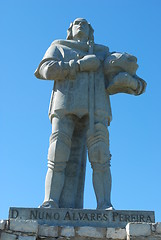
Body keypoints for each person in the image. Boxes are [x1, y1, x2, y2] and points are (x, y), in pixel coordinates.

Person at [35, 18, 146, 209]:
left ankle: (105, 204)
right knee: (57, 154)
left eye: (84, 24)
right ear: (69, 30)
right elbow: (45, 70)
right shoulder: (59, 46)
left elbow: (133, 80)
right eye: (76, 23)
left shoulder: (102, 53)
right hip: (65, 105)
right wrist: (77, 66)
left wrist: (131, 83)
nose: (80, 26)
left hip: (97, 108)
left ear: (90, 31)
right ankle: (50, 201)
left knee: (101, 157)